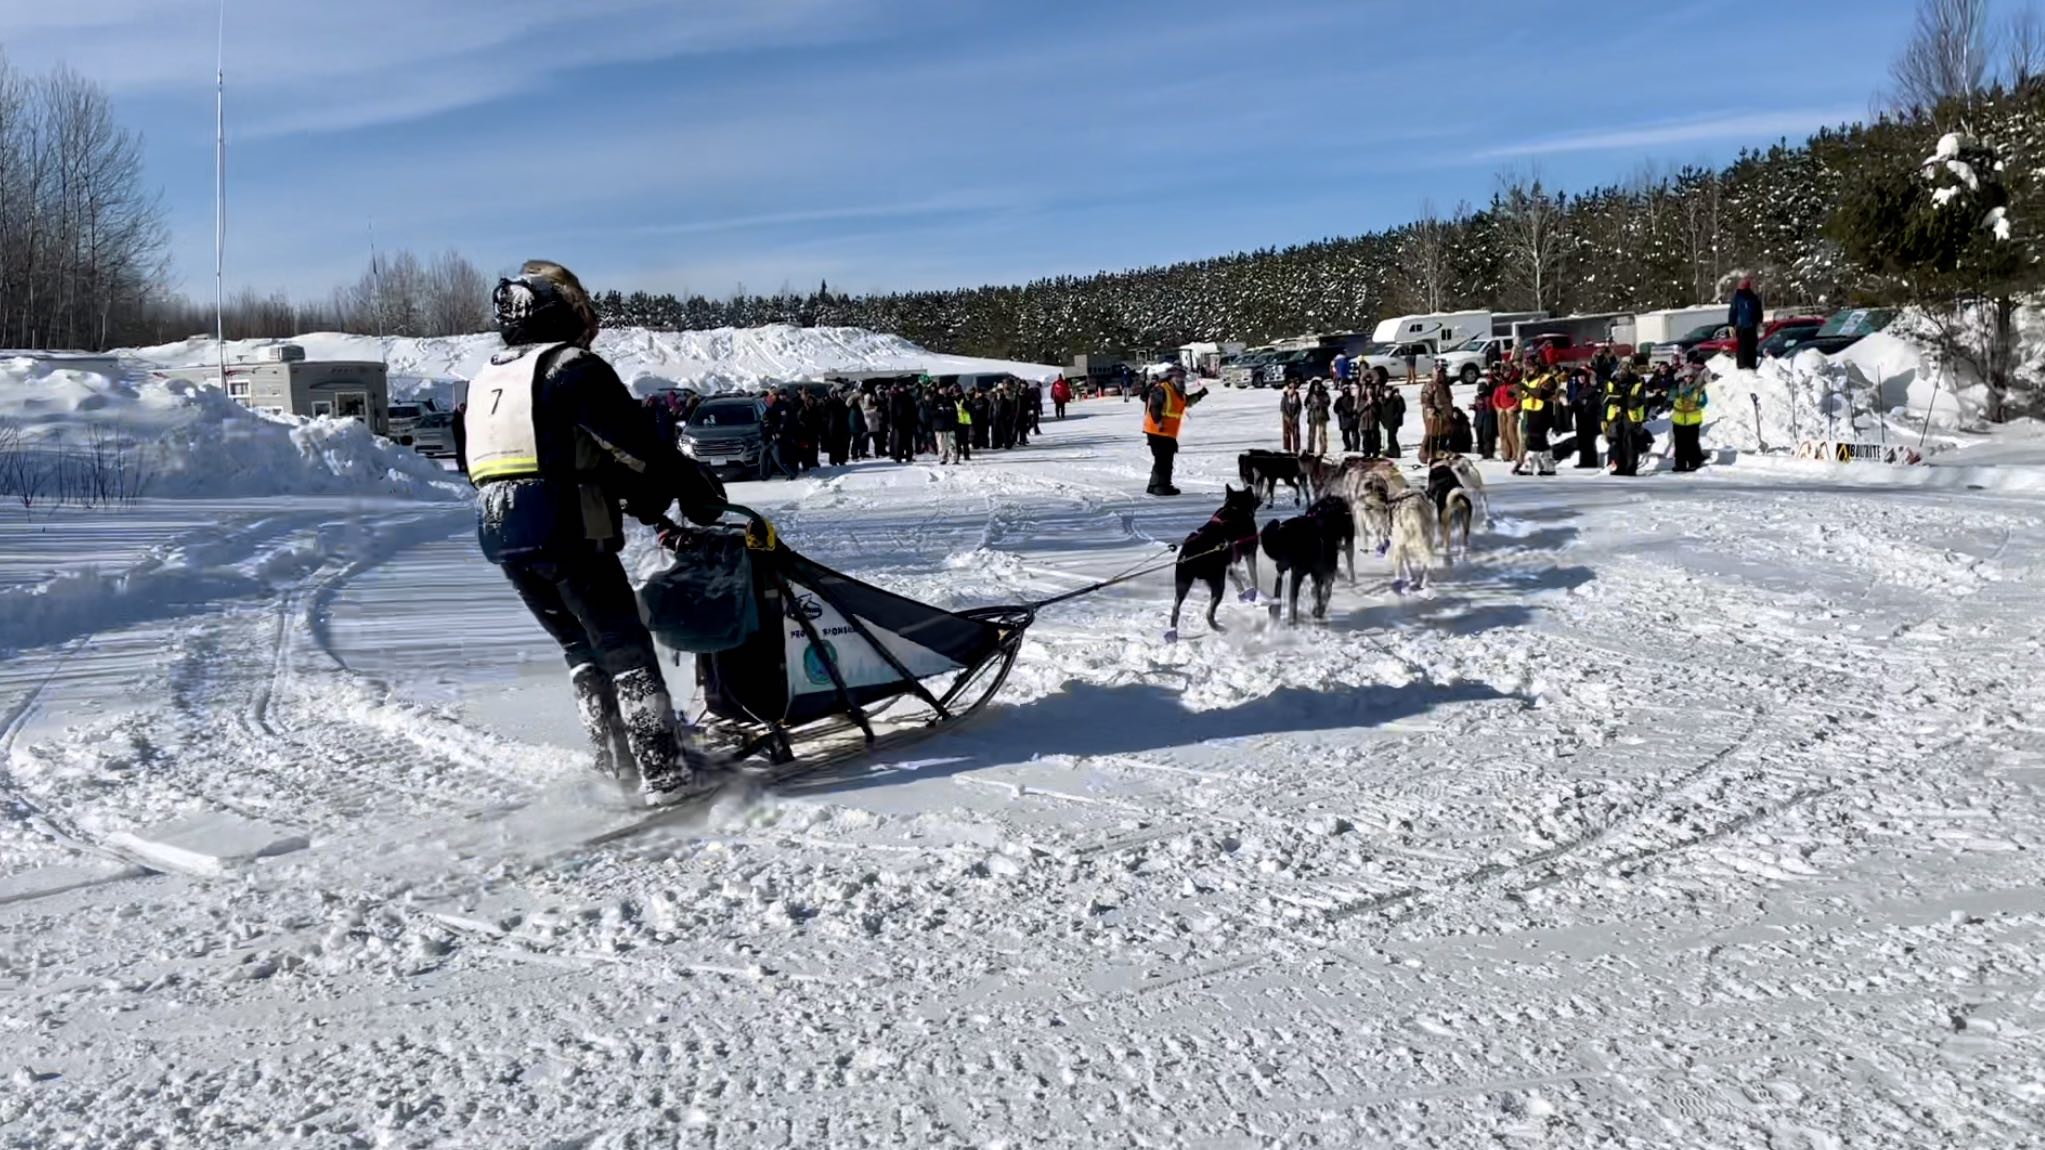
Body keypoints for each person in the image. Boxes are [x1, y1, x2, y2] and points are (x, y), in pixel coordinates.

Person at [462, 260, 726, 802]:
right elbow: (635, 446)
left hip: (501, 531)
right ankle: (664, 772)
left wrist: (636, 498)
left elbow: (523, 453)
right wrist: (689, 487)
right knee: (622, 642)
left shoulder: (487, 375)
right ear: (561, 313)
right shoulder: (569, 367)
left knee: (578, 648)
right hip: (567, 527)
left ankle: (615, 765)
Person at [1144, 363, 1208, 496]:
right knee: (1164, 459)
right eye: (1179, 377)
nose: (1182, 380)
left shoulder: (1177, 392)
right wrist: (1159, 421)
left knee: (1164, 458)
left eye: (1183, 377)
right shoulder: (1162, 388)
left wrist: (1200, 394)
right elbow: (1154, 406)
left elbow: (1186, 402)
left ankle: (1154, 485)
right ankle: (1162, 486)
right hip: (1158, 430)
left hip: (1169, 431)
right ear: (1171, 377)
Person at [1603, 364, 1648, 476]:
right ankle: (1615, 468)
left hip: (1631, 417)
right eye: (1620, 370)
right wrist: (1603, 418)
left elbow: (1639, 400)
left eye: (1625, 370)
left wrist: (1623, 401)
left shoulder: (1637, 383)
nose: (1622, 373)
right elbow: (1604, 401)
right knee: (1614, 443)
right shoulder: (1611, 383)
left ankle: (1630, 469)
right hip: (1614, 417)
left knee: (1630, 444)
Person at [1668, 366, 1710, 472]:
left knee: (1691, 443)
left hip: (1692, 420)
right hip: (1678, 420)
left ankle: (1693, 463)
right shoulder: (1678, 387)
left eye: (1690, 376)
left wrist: (1696, 403)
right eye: (1686, 376)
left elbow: (1703, 402)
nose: (1688, 378)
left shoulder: (1698, 388)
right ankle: (1680, 464)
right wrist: (1674, 386)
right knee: (1679, 443)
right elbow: (1671, 397)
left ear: (1694, 377)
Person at [1516, 372, 1557, 476]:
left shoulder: (1546, 378)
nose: (1529, 368)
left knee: (1534, 438)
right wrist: (1517, 390)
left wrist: (1527, 389)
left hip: (1543, 410)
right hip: (1530, 410)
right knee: (1539, 440)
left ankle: (1528, 465)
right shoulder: (1527, 379)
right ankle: (1549, 466)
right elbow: (1517, 392)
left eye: (1532, 364)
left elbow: (1543, 393)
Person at [1420, 364, 1455, 463]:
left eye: (1442, 374)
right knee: (1432, 437)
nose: (1441, 376)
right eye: (1439, 374)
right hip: (1435, 416)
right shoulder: (1430, 385)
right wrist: (1430, 409)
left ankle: (1441, 454)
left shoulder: (1445, 386)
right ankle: (1427, 455)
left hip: (1446, 416)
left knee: (1444, 436)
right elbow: (1426, 400)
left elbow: (1449, 400)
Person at [1730, 277, 1764, 371]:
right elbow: (1733, 312)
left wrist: (1759, 322)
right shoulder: (1737, 298)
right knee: (1743, 347)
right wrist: (1731, 325)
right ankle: (1742, 365)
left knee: (1751, 346)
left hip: (1751, 326)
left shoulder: (1753, 298)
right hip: (1742, 327)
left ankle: (1751, 364)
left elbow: (1758, 311)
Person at [1491, 374, 1521, 468]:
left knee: (1511, 433)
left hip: (1511, 412)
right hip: (1501, 412)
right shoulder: (1499, 387)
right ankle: (1505, 453)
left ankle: (1515, 454)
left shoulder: (1514, 386)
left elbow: (1519, 400)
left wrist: (1513, 408)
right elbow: (1494, 399)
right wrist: (1498, 408)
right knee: (1503, 434)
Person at [1377, 380, 1406, 457]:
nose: (1387, 393)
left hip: (1394, 422)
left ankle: (1396, 453)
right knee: (1390, 438)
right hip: (1386, 421)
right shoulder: (1384, 399)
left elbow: (1401, 408)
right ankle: (1391, 451)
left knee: (1391, 438)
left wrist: (1396, 417)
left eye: (1388, 391)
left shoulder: (1396, 398)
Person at [1305, 380, 1332, 456]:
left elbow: (1328, 402)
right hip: (1312, 415)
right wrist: (1309, 406)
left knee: (1322, 434)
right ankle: (1310, 449)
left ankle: (1323, 450)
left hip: (1322, 415)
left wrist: (1320, 403)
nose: (1316, 387)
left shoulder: (1324, 394)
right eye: (1315, 386)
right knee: (1311, 434)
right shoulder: (1310, 395)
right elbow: (1306, 403)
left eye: (1318, 385)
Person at [1472, 382, 1497, 460]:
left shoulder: (1490, 398)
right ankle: (1481, 452)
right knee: (1480, 435)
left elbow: (1491, 408)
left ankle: (1488, 453)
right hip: (1480, 417)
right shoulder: (1477, 398)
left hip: (1488, 417)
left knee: (1487, 436)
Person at [1357, 379, 1382, 456]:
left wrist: (1372, 404)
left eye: (1371, 390)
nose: (1369, 391)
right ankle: (1366, 452)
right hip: (1364, 422)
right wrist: (1366, 405)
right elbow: (1359, 411)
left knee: (1375, 438)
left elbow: (1378, 412)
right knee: (1366, 439)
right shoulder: (1362, 400)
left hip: (1373, 422)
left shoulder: (1376, 400)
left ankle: (1375, 452)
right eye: (1368, 390)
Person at [1334, 383, 1361, 453]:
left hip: (1352, 419)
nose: (1346, 391)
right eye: (1344, 389)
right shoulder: (1339, 400)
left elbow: (1357, 408)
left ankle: (1355, 447)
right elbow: (1335, 409)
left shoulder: (1353, 399)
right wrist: (1341, 412)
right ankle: (1348, 446)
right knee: (1345, 435)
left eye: (1347, 389)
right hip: (1344, 420)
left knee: (1354, 434)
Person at [1279, 382, 1303, 454]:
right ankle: (1287, 449)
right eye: (1291, 388)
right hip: (1286, 419)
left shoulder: (1297, 397)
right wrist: (1287, 417)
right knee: (1286, 435)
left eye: (1294, 388)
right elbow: (1282, 409)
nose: (1292, 390)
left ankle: (1296, 449)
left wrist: (1296, 416)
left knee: (1296, 434)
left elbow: (1299, 408)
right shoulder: (1285, 398)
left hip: (1295, 419)